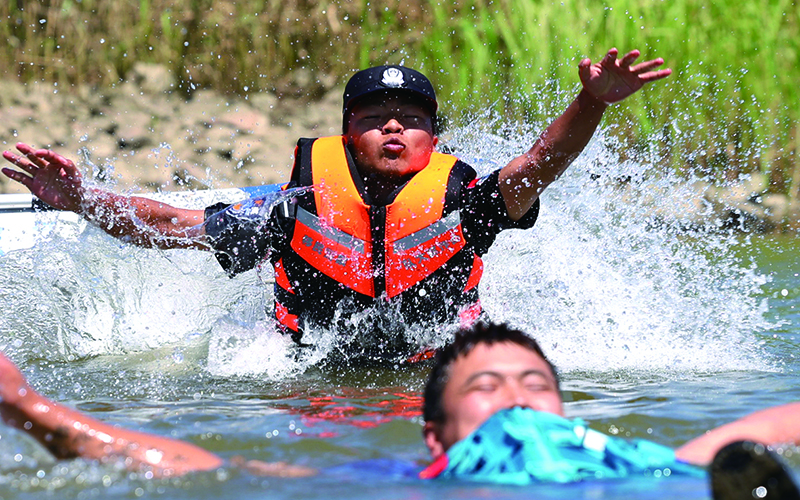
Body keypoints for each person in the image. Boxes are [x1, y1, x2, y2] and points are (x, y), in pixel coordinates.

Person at [2, 49, 671, 354]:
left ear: (433, 137)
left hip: (431, 364)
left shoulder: (466, 203)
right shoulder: (298, 210)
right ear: (347, 132)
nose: (390, 126)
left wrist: (592, 102)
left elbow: (537, 166)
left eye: (408, 117)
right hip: (307, 361)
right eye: (374, 114)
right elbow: (171, 225)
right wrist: (82, 199)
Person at [1, 323, 799, 500]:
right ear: (437, 434)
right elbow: (212, 469)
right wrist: (30, 407)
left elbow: (753, 429)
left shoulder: (631, 459)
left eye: (535, 383)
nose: (519, 397)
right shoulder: (411, 476)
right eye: (485, 389)